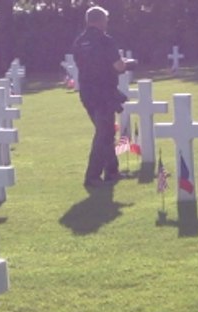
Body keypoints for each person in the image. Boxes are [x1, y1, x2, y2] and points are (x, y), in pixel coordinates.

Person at [73, 5, 135, 188]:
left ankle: (112, 171)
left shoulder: (79, 42)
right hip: (104, 92)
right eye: (106, 20)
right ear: (100, 21)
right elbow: (118, 66)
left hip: (86, 93)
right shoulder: (105, 40)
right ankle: (92, 176)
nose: (107, 23)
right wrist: (131, 64)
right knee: (104, 133)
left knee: (106, 131)